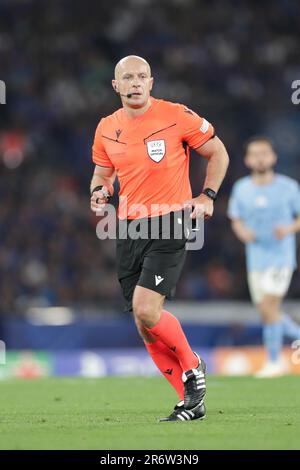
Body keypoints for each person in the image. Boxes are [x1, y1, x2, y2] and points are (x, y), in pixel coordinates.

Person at [90, 55, 229, 420]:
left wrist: (208, 195)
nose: (134, 83)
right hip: (130, 228)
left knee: (147, 309)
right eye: (127, 78)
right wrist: (99, 191)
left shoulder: (176, 115)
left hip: (169, 221)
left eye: (141, 77)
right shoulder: (106, 127)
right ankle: (190, 401)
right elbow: (102, 175)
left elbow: (218, 152)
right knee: (143, 321)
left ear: (151, 82)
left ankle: (191, 362)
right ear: (115, 86)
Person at [228, 136, 300, 377]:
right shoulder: (241, 188)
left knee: (269, 307)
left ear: (273, 157)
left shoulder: (288, 187)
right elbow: (235, 219)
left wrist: (288, 229)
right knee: (268, 313)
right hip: (256, 258)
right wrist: (242, 233)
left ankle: (274, 361)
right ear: (248, 160)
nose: (260, 158)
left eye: (264, 153)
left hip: (281, 258)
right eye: (255, 154)